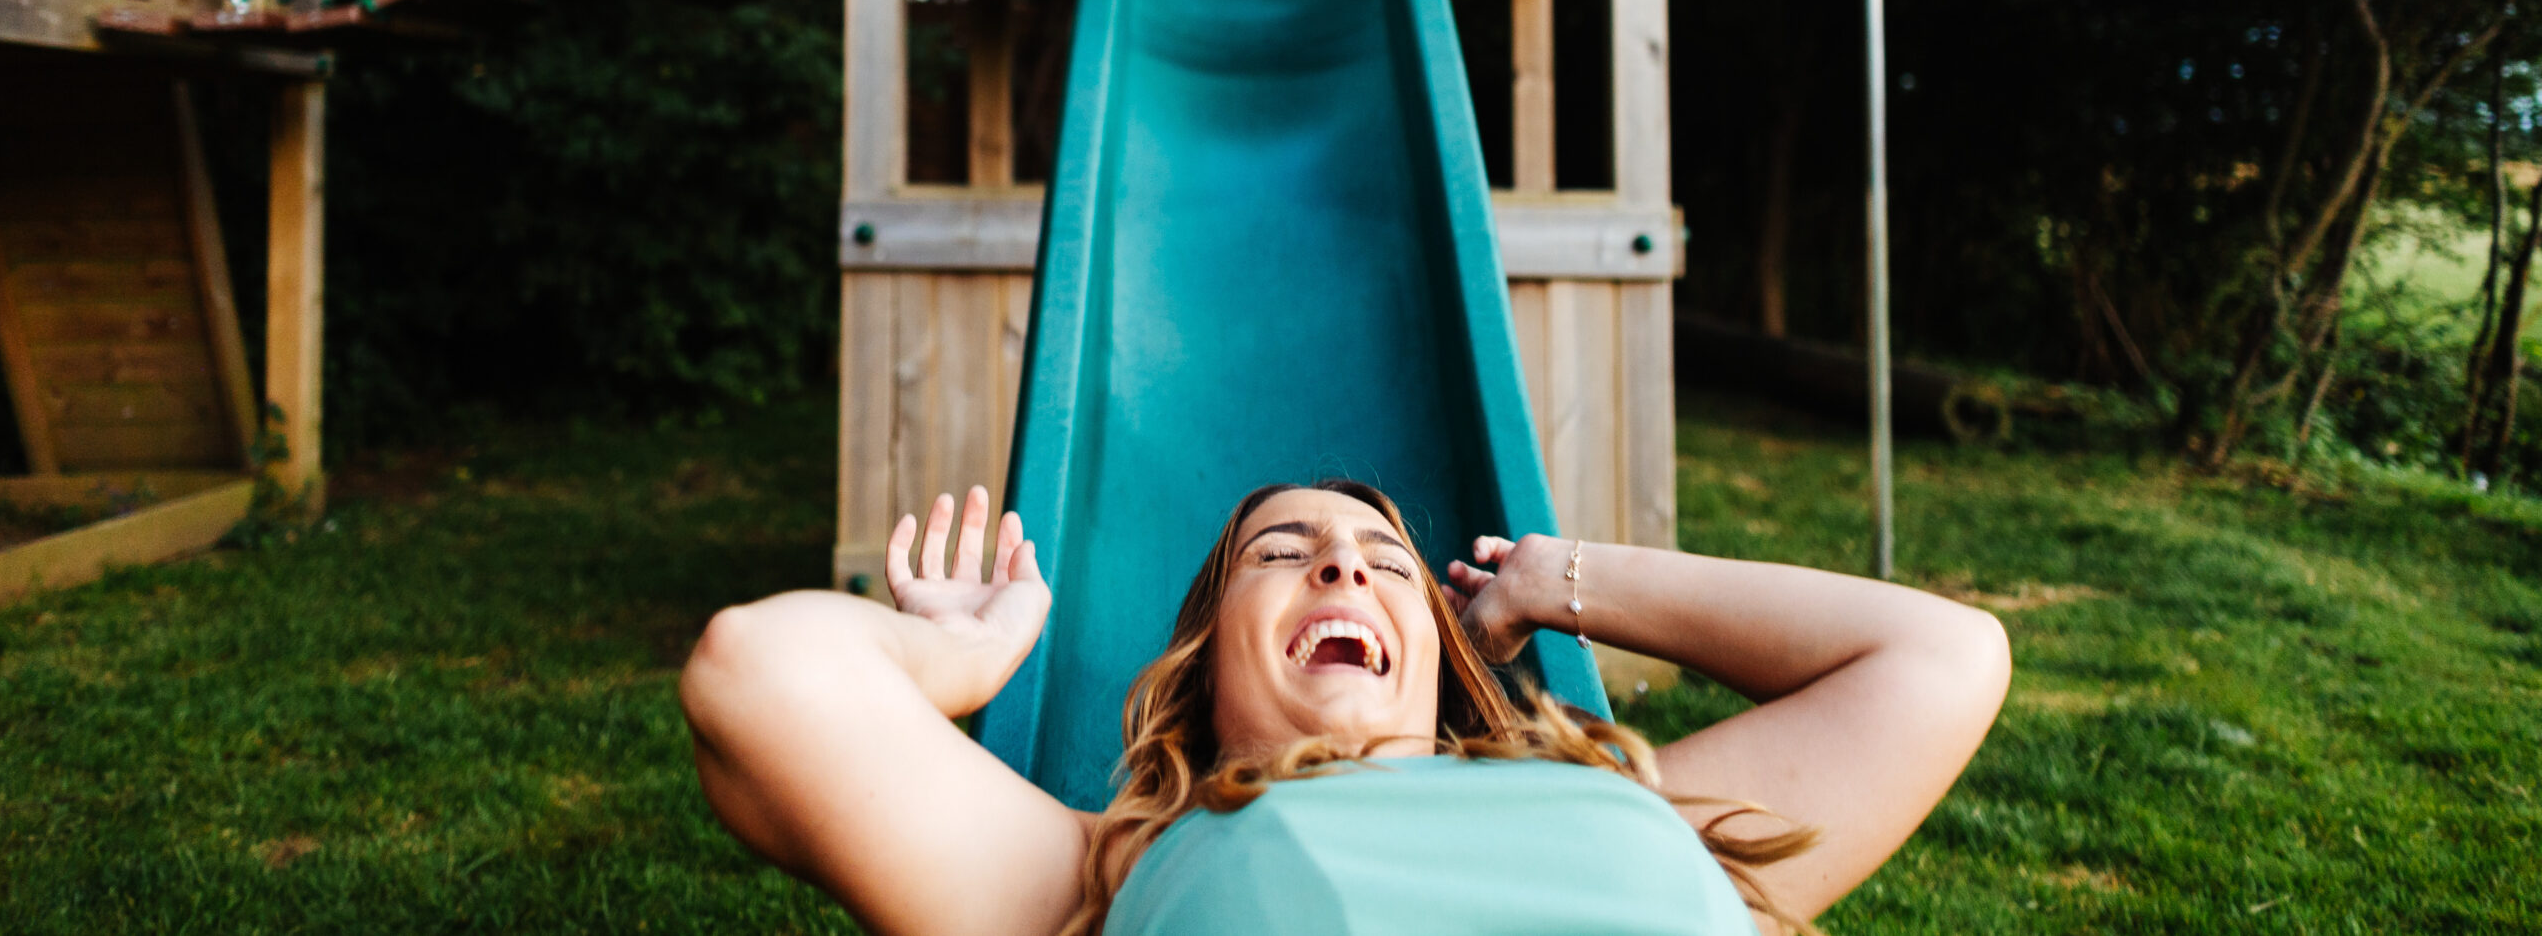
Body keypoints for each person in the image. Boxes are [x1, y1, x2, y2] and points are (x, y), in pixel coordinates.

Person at [680, 478, 2011, 936]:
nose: (1339, 564)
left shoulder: (1630, 799)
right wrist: (968, 656)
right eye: (1283, 553)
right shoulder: (1097, 870)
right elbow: (760, 675)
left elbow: (1946, 656)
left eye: (1382, 564)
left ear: (1443, 656)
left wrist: (1561, 581)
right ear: (1203, 671)